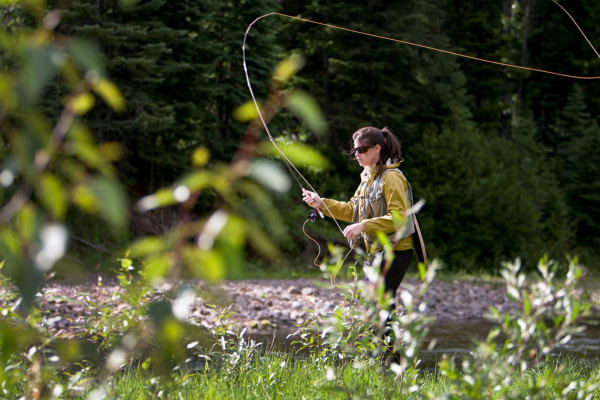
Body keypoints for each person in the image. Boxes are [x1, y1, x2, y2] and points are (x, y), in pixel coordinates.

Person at [302, 126, 414, 318]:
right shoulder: (366, 177)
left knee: (378, 310)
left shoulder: (391, 177)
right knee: (375, 310)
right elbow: (353, 210)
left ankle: (384, 348)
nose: (357, 154)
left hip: (395, 252)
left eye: (362, 150)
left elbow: (398, 218)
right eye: (355, 150)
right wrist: (322, 203)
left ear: (377, 148)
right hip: (376, 252)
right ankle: (386, 348)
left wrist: (364, 225)